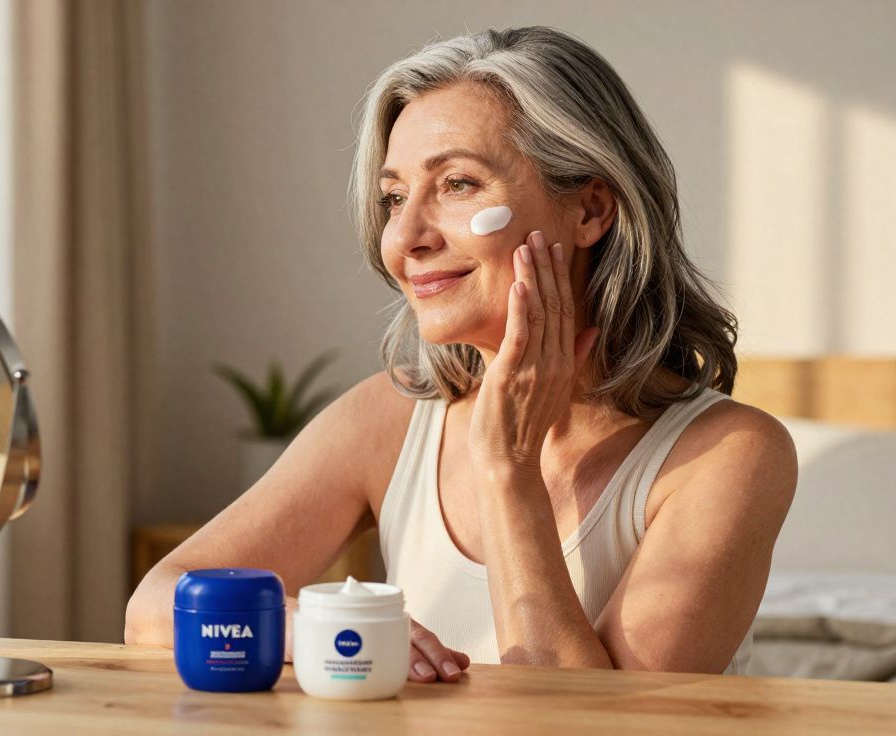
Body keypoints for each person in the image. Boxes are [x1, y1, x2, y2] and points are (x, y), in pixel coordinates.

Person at [125, 26, 796, 682]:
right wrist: (304, 626)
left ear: (591, 210)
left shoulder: (728, 456)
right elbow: (156, 605)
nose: (404, 239)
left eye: (458, 185)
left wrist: (508, 468)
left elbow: (593, 723)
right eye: (394, 198)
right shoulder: (388, 419)